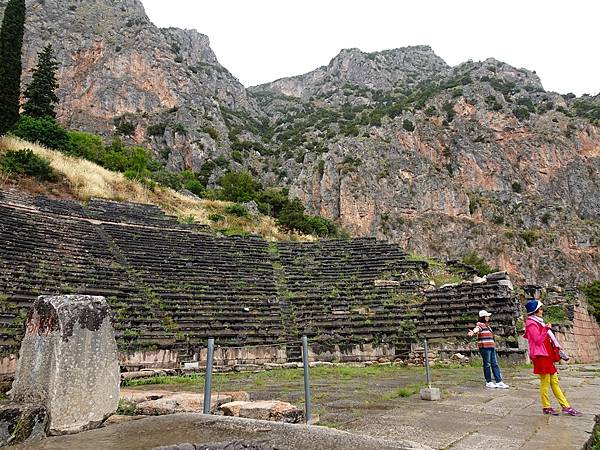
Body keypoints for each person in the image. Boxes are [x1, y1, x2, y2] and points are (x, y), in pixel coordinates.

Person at [524, 299, 582, 416]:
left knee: (554, 381)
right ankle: (547, 406)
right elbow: (538, 340)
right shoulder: (531, 324)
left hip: (547, 356)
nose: (542, 311)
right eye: (540, 308)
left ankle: (566, 406)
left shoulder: (539, 322)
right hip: (541, 356)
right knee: (545, 382)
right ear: (535, 311)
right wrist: (546, 329)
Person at [467, 310, 509, 389]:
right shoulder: (480, 325)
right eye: (486, 316)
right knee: (487, 364)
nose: (488, 317)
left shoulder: (487, 326)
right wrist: (472, 332)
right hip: (485, 347)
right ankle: (488, 381)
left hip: (491, 346)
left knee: (495, 364)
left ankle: (499, 381)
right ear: (483, 317)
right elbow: (477, 329)